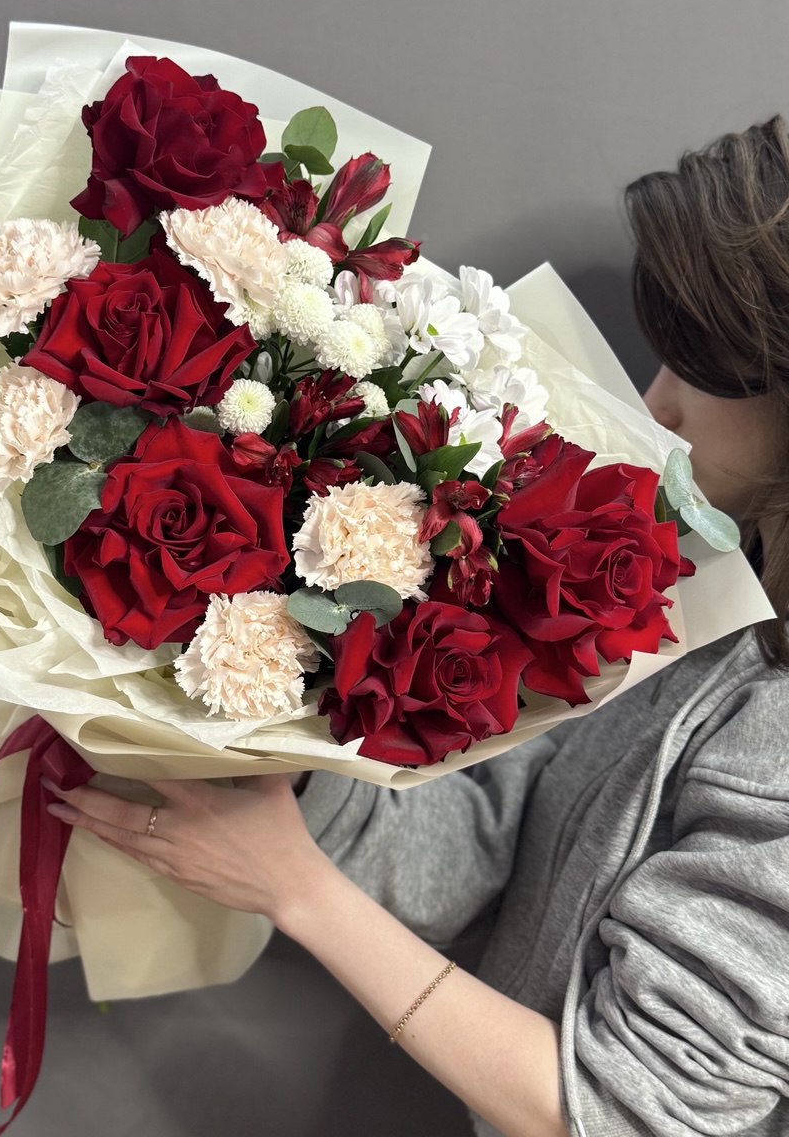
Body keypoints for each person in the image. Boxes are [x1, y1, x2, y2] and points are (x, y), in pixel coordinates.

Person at [43, 118, 789, 1137]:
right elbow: (487, 844)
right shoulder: (721, 604)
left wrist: (296, 887)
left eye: (705, 368)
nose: (657, 405)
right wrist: (276, 726)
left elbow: (622, 1108)